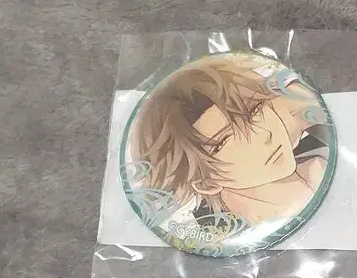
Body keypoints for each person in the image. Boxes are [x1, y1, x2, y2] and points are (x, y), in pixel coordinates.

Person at [130, 55, 330, 231]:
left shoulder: (319, 154)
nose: (264, 135)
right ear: (206, 183)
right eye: (224, 141)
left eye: (255, 111)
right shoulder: (213, 233)